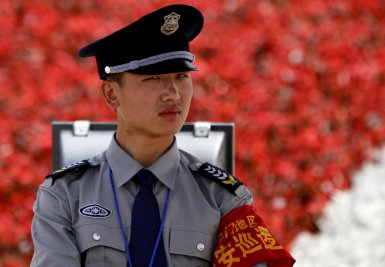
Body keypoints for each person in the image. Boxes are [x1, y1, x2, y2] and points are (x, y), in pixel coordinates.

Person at [30, 4, 295, 267]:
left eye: (181, 76)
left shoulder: (223, 196)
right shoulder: (64, 195)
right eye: (153, 79)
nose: (173, 94)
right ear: (112, 94)